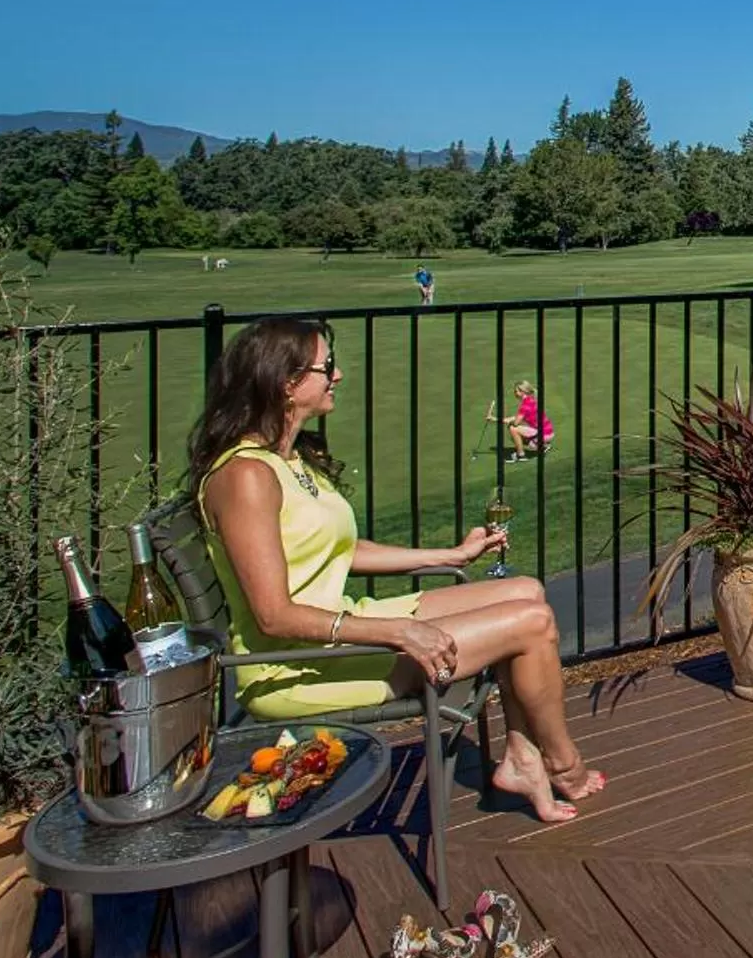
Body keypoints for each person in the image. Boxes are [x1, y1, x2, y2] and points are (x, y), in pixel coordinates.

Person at [190, 318, 604, 823]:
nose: (337, 376)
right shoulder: (246, 476)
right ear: (287, 381)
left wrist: (448, 556)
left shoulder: (286, 459)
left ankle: (521, 757)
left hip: (338, 634)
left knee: (525, 591)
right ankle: (562, 763)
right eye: (327, 366)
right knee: (532, 624)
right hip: (296, 668)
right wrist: (396, 632)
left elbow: (339, 549)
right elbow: (274, 617)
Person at [493, 380, 554, 459]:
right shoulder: (530, 400)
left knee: (512, 428)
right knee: (515, 428)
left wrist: (509, 422)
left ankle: (520, 455)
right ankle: (543, 446)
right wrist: (494, 419)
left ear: (522, 392)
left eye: (516, 391)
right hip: (548, 432)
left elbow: (515, 423)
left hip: (544, 434)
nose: (514, 393)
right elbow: (516, 418)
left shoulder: (525, 405)